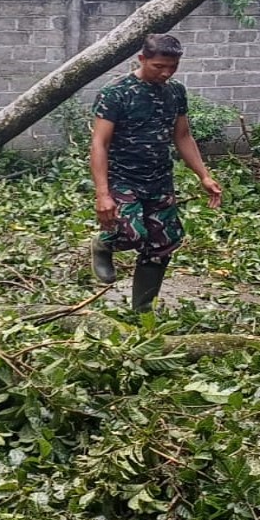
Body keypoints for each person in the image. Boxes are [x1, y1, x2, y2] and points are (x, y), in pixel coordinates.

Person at [89, 34, 223, 312]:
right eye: (158, 66)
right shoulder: (116, 92)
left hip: (160, 180)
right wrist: (102, 193)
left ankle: (142, 309)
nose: (166, 72)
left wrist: (204, 175)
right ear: (142, 59)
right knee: (132, 233)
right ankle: (102, 244)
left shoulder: (175, 92)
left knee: (164, 242)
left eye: (172, 67)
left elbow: (183, 136)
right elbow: (99, 144)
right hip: (122, 179)